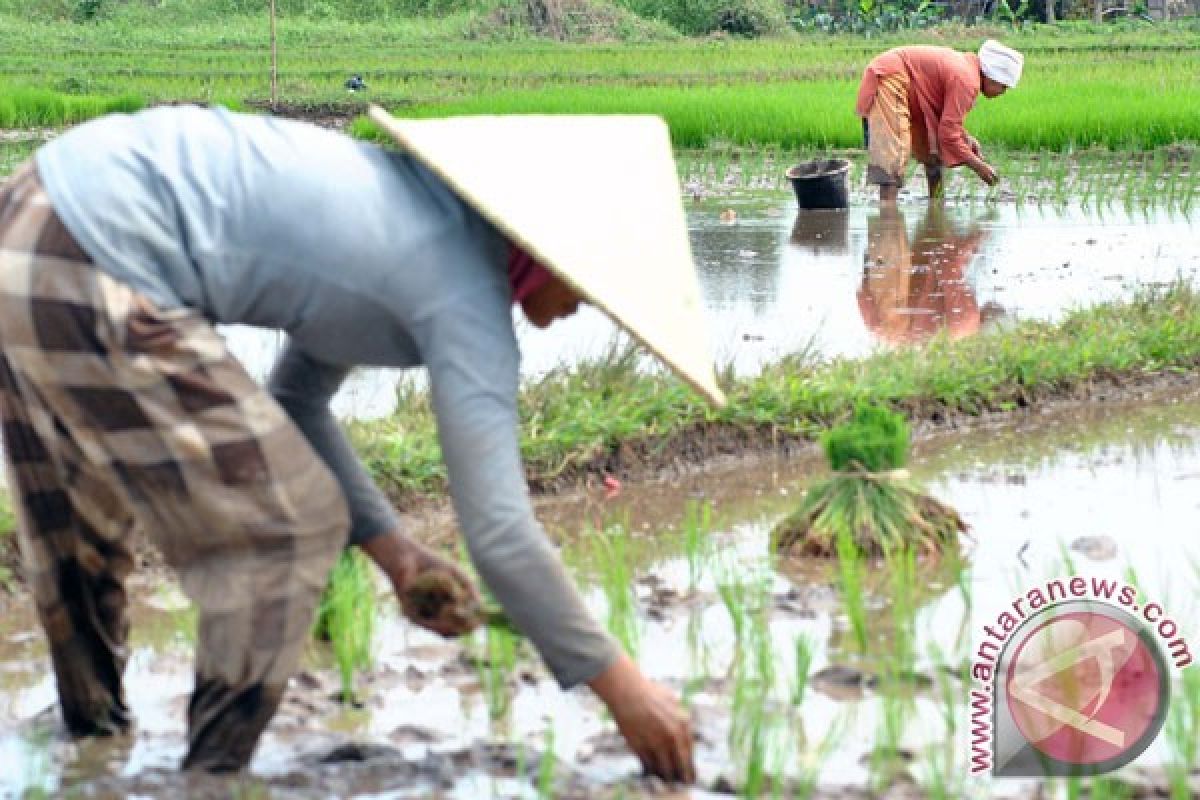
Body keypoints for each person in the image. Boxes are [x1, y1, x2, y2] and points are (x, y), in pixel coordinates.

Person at [0, 104, 725, 780]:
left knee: (81, 537)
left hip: (34, 216)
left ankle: (89, 756)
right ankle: (208, 779)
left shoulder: (410, 214)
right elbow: (502, 534)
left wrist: (399, 557)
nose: (584, 306)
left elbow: (296, 404)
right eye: (591, 287)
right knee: (288, 528)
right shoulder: (465, 295)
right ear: (550, 251)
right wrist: (626, 689)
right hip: (98, 253)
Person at [856, 39, 1024, 207]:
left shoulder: (966, 72)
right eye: (1003, 86)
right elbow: (949, 134)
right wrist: (978, 166)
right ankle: (888, 215)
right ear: (992, 76)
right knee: (893, 155)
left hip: (910, 86)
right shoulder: (967, 80)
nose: (1003, 92)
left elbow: (948, 125)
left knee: (932, 150)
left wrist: (965, 139)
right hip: (891, 78)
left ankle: (936, 207)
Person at [857, 204, 1000, 344]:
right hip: (889, 302)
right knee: (888, 207)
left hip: (893, 296)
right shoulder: (889, 341)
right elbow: (862, 295)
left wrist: (978, 237)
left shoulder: (967, 323)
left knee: (889, 204)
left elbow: (945, 259)